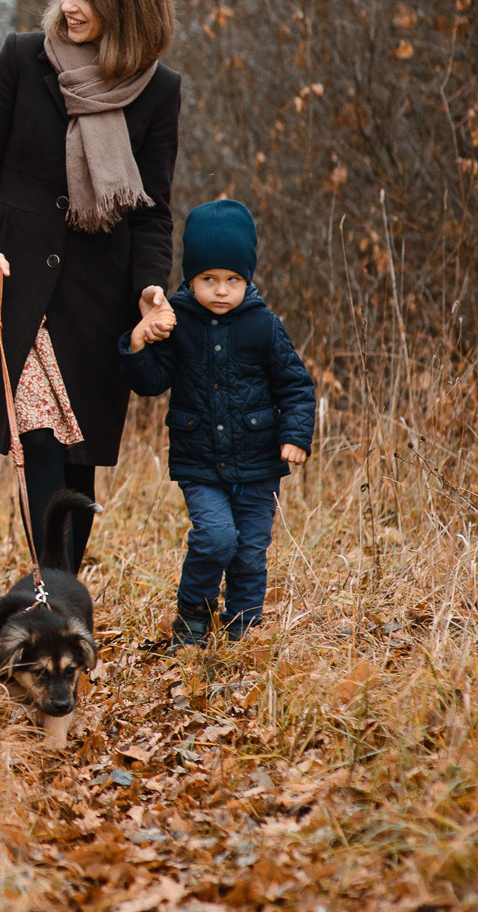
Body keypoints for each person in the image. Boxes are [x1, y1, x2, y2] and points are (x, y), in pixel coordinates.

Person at [0, 0, 183, 572]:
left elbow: (153, 209)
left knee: (80, 469)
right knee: (43, 447)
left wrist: (149, 287)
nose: (69, 5)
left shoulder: (159, 91)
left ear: (126, 6)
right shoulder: (24, 58)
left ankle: (60, 596)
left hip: (97, 303)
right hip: (17, 288)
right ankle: (51, 595)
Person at [121, 199, 316, 645]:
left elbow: (296, 387)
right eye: (209, 280)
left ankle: (243, 627)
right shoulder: (176, 321)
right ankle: (193, 616)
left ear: (247, 278)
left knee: (249, 550)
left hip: (258, 462)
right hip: (200, 461)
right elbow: (151, 383)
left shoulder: (264, 325)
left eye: (233, 280)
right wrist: (137, 342)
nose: (222, 290)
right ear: (190, 278)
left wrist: (295, 436)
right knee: (214, 538)